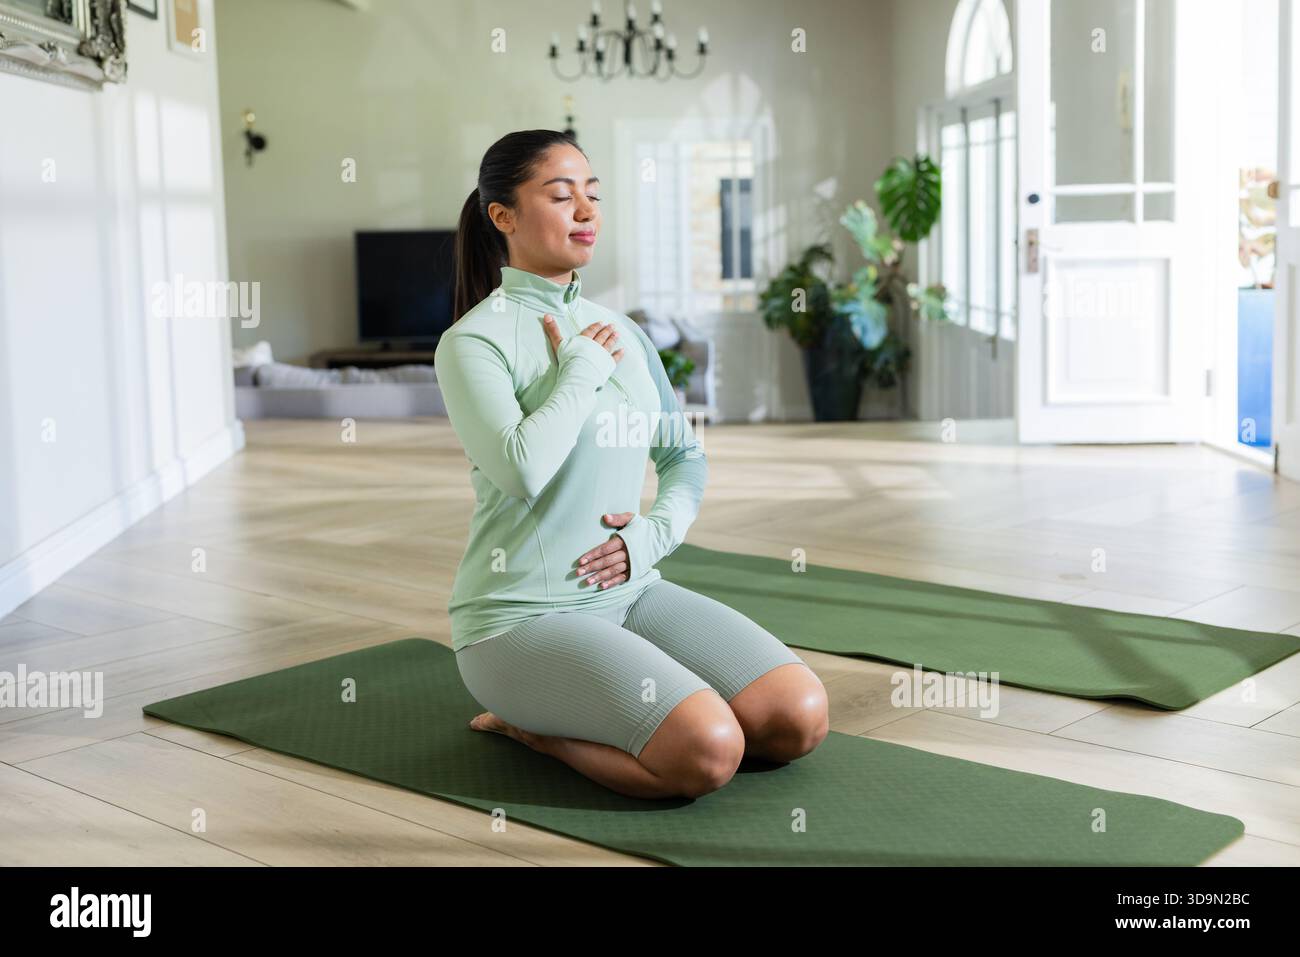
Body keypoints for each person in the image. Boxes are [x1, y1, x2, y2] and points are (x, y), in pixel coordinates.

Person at [435, 129, 828, 799]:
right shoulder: (472, 341)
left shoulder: (625, 330)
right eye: (562, 196)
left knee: (797, 717)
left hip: (633, 590)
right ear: (501, 216)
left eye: (592, 194)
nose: (587, 211)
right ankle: (535, 730)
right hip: (521, 617)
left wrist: (648, 536)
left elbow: (683, 457)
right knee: (708, 751)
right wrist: (583, 368)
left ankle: (635, 701)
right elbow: (521, 468)